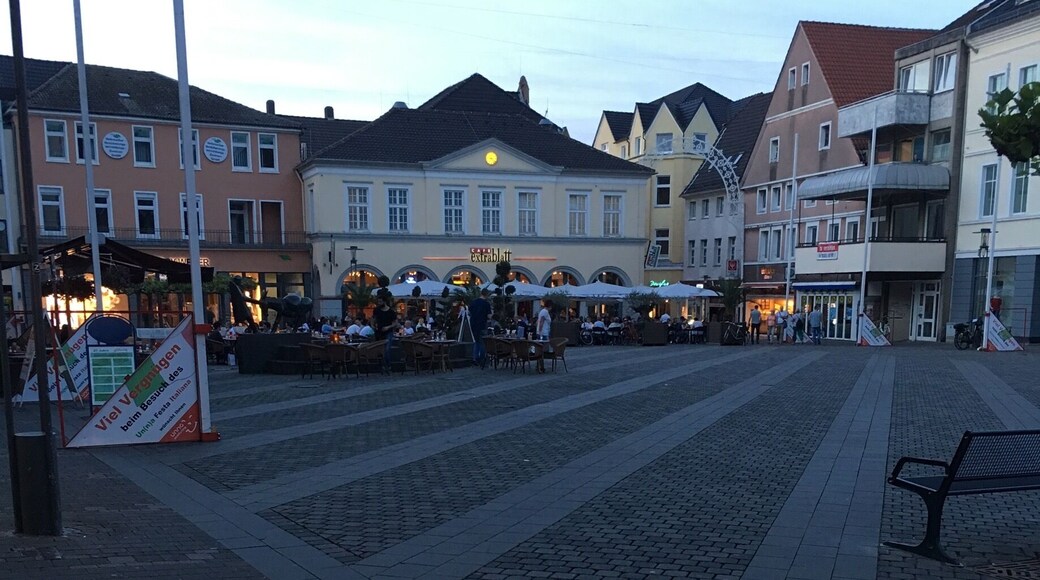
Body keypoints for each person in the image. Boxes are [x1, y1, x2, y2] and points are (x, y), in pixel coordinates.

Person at [373, 297, 399, 373]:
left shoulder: (391, 312)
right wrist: (373, 325)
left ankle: (388, 365)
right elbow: (373, 319)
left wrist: (388, 327)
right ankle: (381, 365)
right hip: (379, 332)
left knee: (387, 349)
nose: (379, 303)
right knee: (379, 350)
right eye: (378, 301)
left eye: (380, 301)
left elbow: (395, 323)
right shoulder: (377, 310)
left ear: (385, 302)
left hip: (388, 332)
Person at [468, 288, 492, 367]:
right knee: (483, 343)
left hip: (473, 324)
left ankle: (475, 358)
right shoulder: (486, 304)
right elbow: (489, 316)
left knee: (476, 341)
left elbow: (469, 312)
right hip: (482, 324)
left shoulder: (474, 302)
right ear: (487, 295)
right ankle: (482, 359)